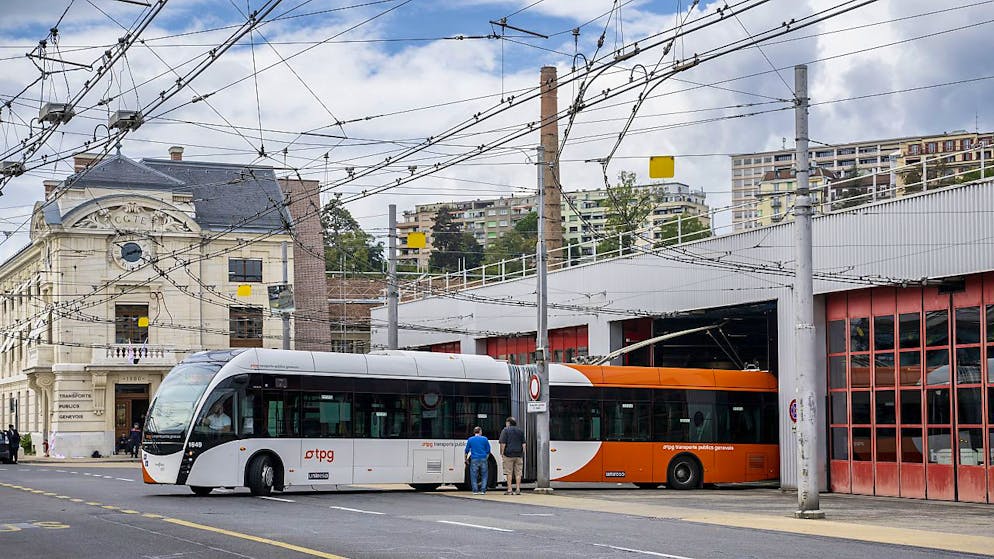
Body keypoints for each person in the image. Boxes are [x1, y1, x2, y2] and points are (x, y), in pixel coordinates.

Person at [498, 416, 526, 495]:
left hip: (508, 455)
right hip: (518, 455)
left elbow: (503, 443)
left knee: (509, 472)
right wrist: (522, 453)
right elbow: (524, 444)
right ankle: (518, 489)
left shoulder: (505, 430)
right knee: (518, 473)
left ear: (508, 423)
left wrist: (502, 453)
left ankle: (509, 490)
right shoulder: (520, 431)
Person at [463, 426, 490, 495]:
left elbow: (466, 450)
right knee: (484, 475)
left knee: (473, 475)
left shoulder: (470, 439)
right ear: (480, 431)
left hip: (474, 459)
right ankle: (483, 490)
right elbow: (488, 450)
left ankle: (475, 491)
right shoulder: (485, 439)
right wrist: (486, 458)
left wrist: (466, 459)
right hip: (483, 458)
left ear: (474, 432)